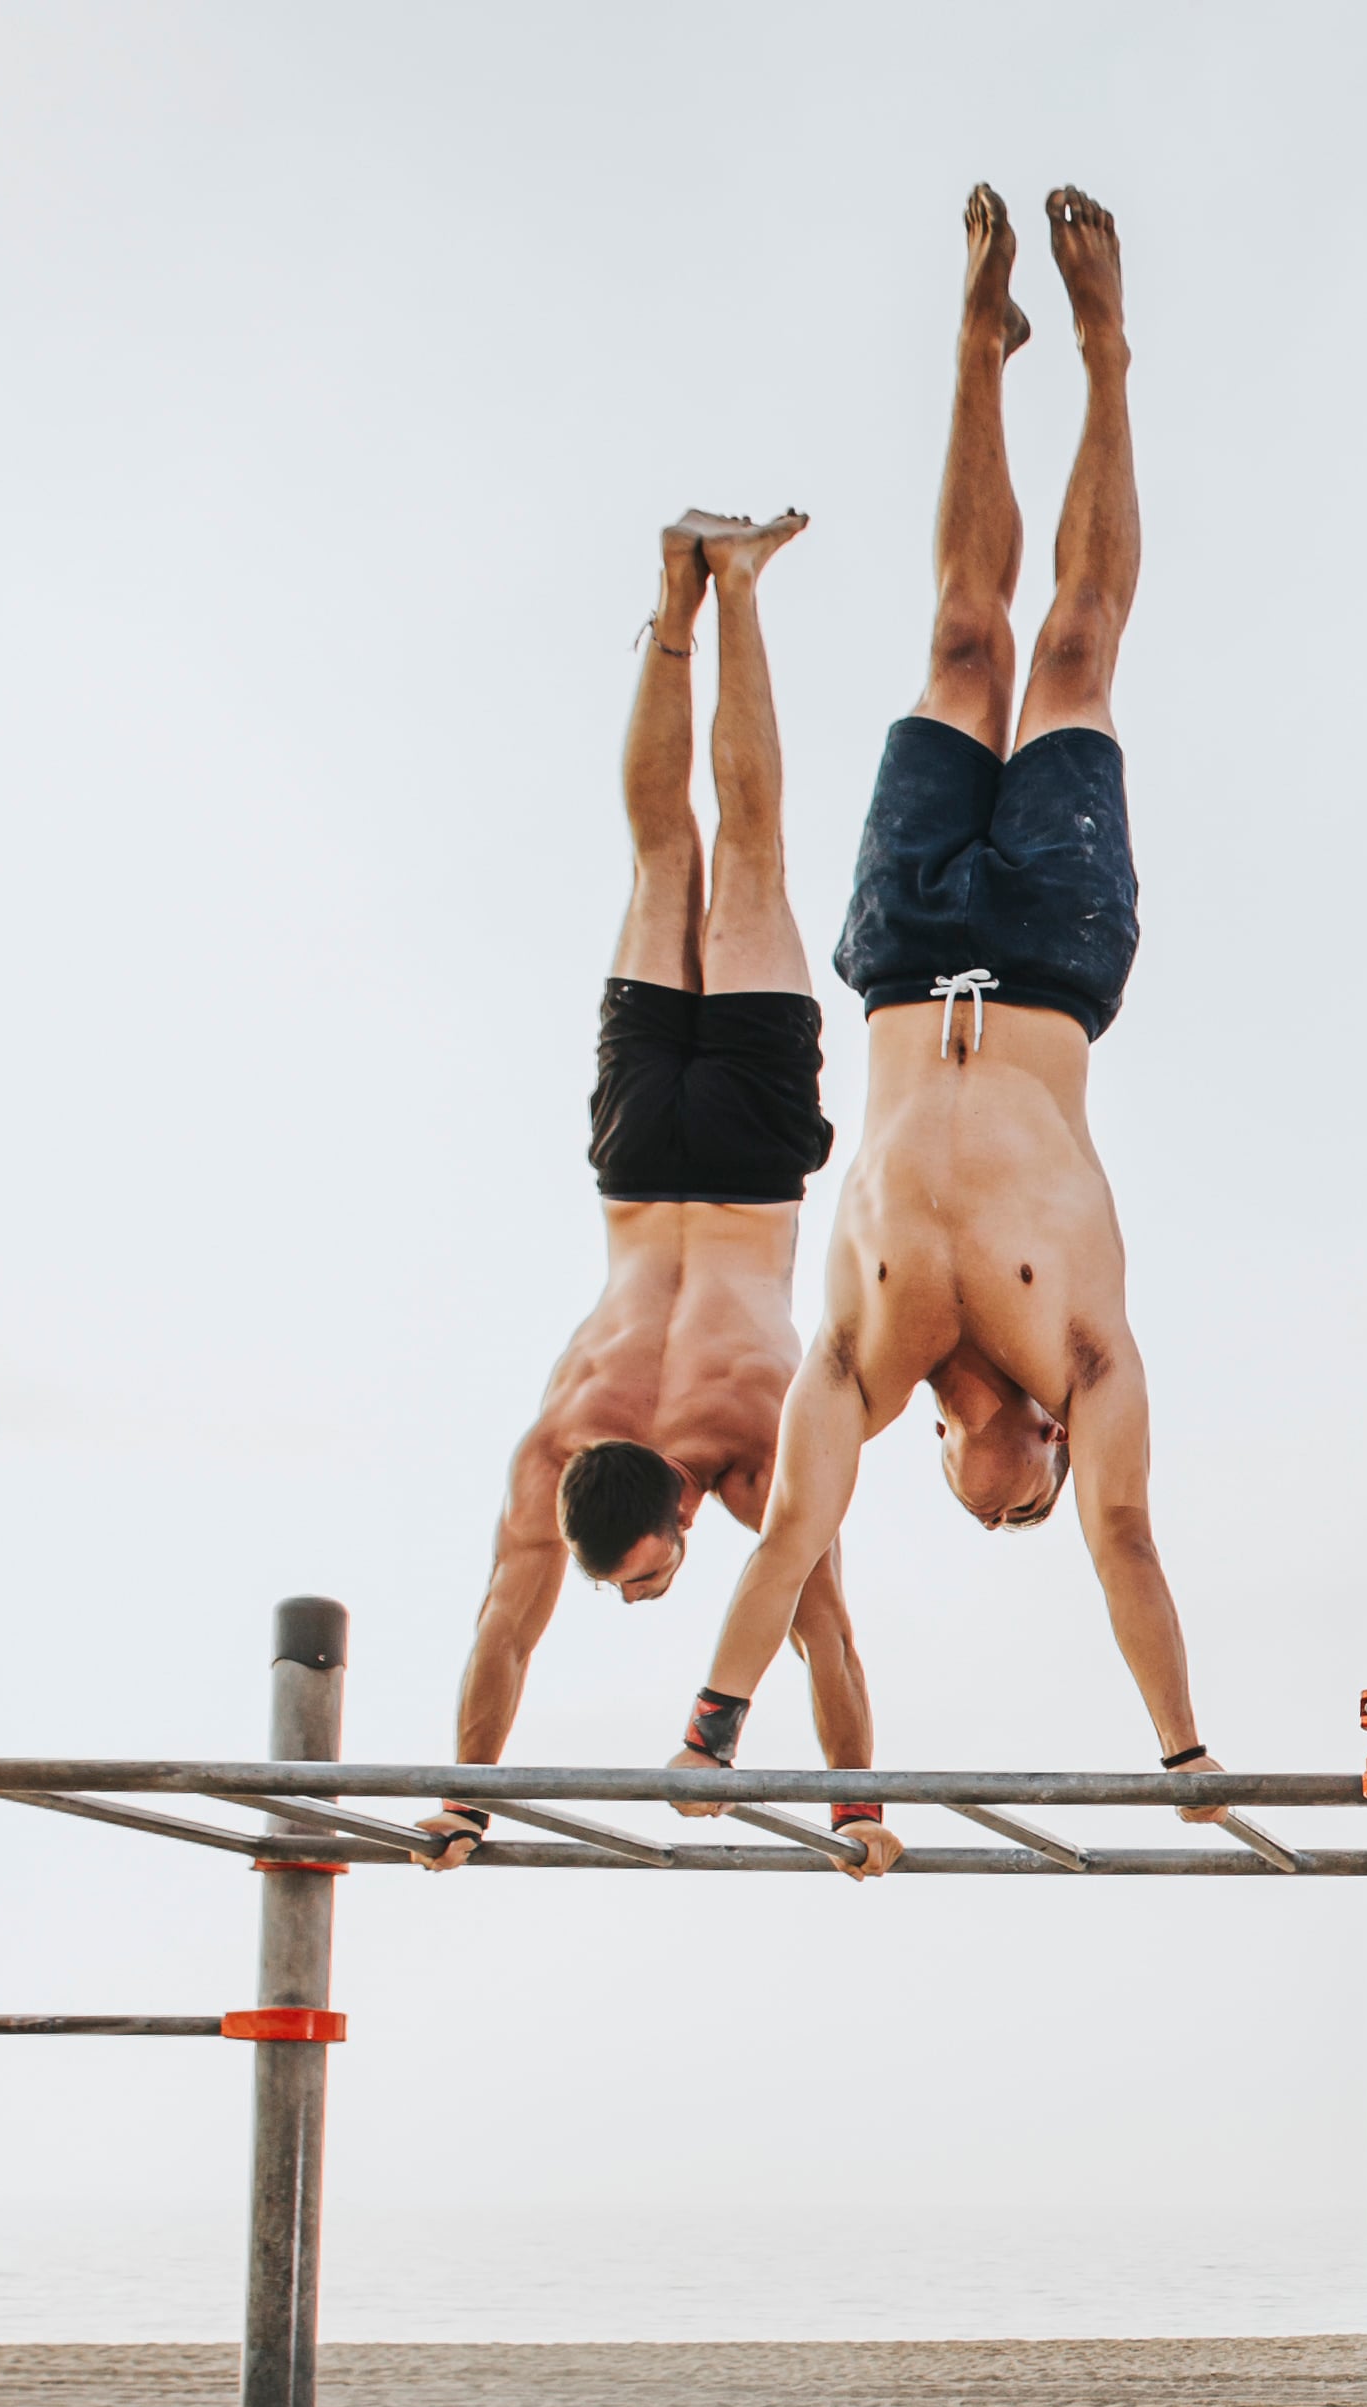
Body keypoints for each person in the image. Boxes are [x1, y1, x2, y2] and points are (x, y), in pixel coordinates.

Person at [672, 185, 1225, 1826]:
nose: (1014, 1504)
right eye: (1027, 1507)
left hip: (905, 952)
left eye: (988, 1515)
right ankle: (1104, 357)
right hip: (1055, 952)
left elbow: (785, 1536)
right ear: (1046, 1456)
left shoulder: (869, 1351)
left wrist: (710, 1732)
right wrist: (1187, 1757)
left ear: (949, 1462)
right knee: (1070, 646)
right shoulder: (1090, 1352)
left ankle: (982, 344)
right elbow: (1130, 1543)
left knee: (960, 640)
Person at [428, 509, 897, 1879]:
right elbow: (517, 1633)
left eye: (637, 1579)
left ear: (679, 1515)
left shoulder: (745, 1442)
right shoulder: (566, 1448)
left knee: (730, 851)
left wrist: (465, 1802)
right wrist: (456, 1802)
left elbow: (821, 1631)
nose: (641, 1598)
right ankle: (697, 582)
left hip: (739, 1159)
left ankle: (719, 588)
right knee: (677, 856)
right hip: (645, 1163)